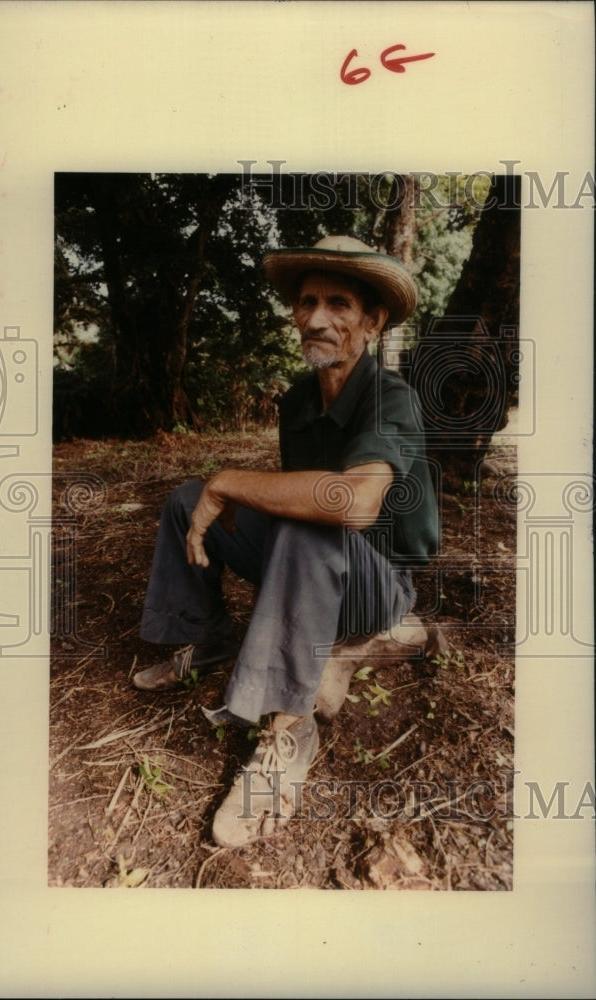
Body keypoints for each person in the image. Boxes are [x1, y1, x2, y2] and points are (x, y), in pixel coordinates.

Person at [132, 235, 439, 848]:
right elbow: (290, 493)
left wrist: (232, 482)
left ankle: (288, 733)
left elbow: (351, 503)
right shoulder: (299, 399)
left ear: (373, 322)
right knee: (188, 499)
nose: (317, 318)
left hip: (379, 585)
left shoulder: (391, 399)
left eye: (340, 304)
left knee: (308, 516)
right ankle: (207, 634)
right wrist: (215, 491)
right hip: (319, 566)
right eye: (306, 302)